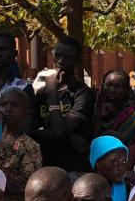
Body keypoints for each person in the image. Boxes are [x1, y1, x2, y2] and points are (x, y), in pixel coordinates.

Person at [34, 37, 96, 172]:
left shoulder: (83, 93)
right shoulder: (41, 93)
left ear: (77, 61)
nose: (61, 61)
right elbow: (31, 130)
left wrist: (52, 92)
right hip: (46, 164)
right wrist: (71, 136)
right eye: (58, 56)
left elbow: (60, 132)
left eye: (67, 57)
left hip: (73, 167)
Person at [0, 86, 42, 201]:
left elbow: (31, 187)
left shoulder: (29, 147)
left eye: (15, 105)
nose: (8, 109)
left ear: (27, 113)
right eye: (3, 104)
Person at [95, 69, 135, 165]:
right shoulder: (96, 107)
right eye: (108, 85)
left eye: (117, 86)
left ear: (126, 89)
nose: (112, 90)